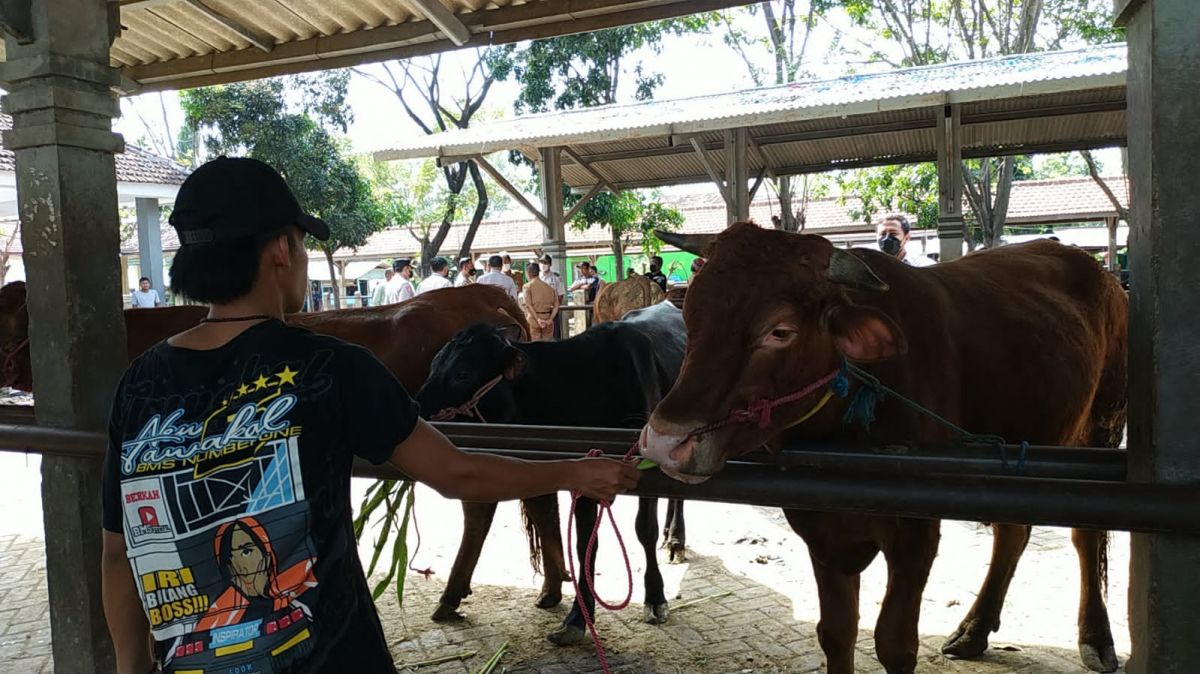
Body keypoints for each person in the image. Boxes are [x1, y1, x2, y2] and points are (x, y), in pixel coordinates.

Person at [100, 157, 639, 674]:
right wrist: (573, 472)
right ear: (281, 250)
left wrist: (133, 667)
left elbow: (119, 555)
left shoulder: (139, 383)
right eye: (304, 242)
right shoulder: (328, 366)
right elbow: (457, 474)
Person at [521, 262, 559, 341]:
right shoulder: (550, 288)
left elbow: (528, 305)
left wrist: (538, 319)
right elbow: (556, 306)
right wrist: (550, 319)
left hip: (533, 320)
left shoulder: (527, 286)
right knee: (547, 347)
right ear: (538, 272)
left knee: (535, 347)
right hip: (548, 319)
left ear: (528, 273)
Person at [539, 254, 566, 339]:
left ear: (550, 265)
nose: (543, 265)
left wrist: (555, 309)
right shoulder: (536, 277)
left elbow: (560, 295)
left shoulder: (556, 278)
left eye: (545, 263)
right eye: (541, 263)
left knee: (555, 335)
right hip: (539, 311)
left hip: (552, 311)